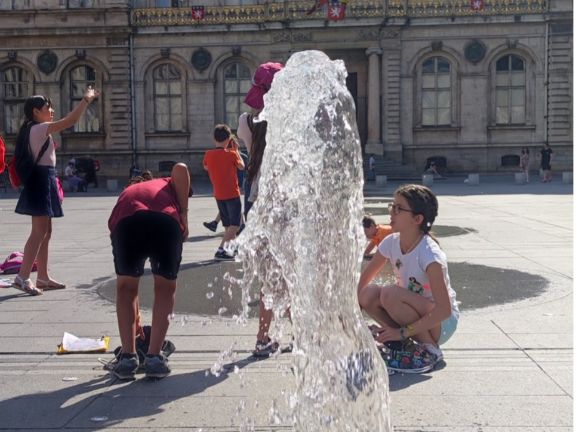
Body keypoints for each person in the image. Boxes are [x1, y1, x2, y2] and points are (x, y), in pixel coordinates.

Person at [357, 184, 459, 373]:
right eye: (392, 206)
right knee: (367, 293)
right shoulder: (391, 242)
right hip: (413, 312)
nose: (391, 212)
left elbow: (444, 310)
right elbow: (362, 284)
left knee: (390, 293)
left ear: (417, 219)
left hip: (442, 323)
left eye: (399, 208)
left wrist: (402, 331)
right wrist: (351, 320)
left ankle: (431, 350)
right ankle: (402, 343)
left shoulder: (430, 255)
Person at [107, 162, 190, 380]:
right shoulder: (165, 184)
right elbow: (181, 168)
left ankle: (127, 358)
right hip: (164, 222)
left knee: (126, 289)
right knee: (164, 289)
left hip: (126, 223)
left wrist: (135, 321)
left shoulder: (128, 192)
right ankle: (154, 358)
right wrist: (184, 214)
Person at [12, 88, 99, 295]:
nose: (51, 110)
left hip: (46, 178)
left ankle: (42, 276)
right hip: (40, 180)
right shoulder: (38, 128)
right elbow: (69, 121)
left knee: (46, 232)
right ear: (35, 112)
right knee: (38, 232)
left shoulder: (36, 128)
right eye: (46, 108)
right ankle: (22, 277)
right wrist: (85, 100)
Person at [237, 62, 286, 357]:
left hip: (258, 203)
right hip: (287, 204)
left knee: (270, 276)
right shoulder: (291, 119)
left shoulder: (246, 122)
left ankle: (262, 337)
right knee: (294, 273)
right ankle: (307, 336)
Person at [203, 124, 245, 260]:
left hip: (218, 194)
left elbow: (205, 167)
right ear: (228, 139)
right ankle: (221, 250)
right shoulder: (232, 154)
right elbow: (242, 166)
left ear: (214, 139)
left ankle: (231, 249)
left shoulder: (208, 154)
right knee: (235, 224)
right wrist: (236, 150)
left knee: (227, 224)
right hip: (232, 193)